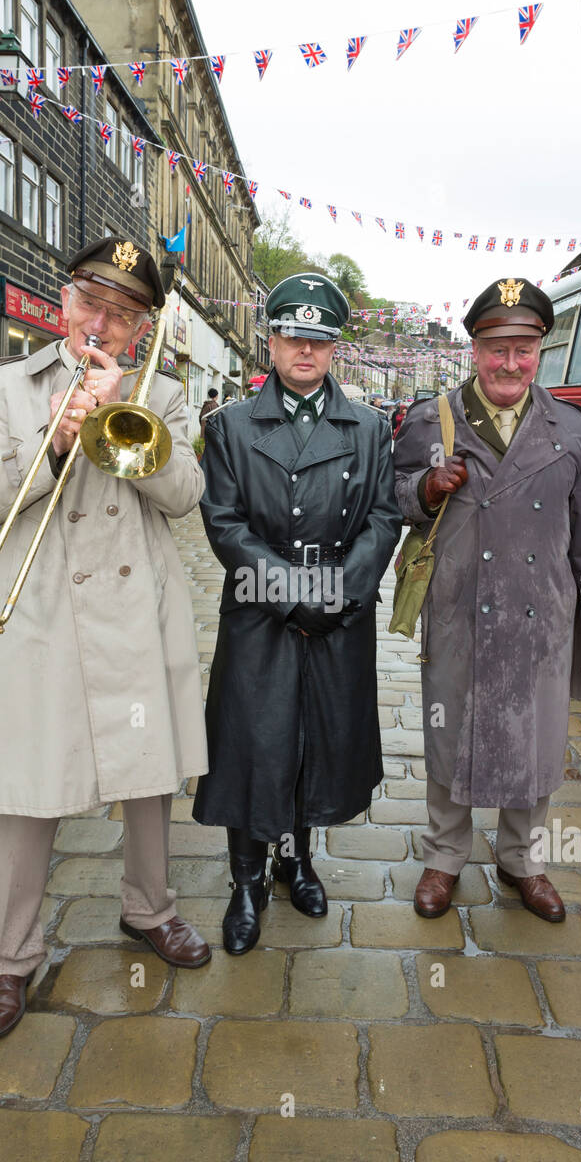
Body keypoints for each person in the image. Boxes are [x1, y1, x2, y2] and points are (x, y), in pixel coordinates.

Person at [0, 236, 211, 1039]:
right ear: (64, 302)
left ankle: (149, 909)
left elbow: (185, 496)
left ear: (141, 328)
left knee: (147, 779)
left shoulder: (161, 392)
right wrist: (54, 440)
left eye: (124, 314)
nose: (102, 322)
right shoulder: (4, 388)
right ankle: (9, 958)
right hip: (43, 614)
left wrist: (123, 411)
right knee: (30, 787)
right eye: (92, 304)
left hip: (135, 610)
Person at [393, 277, 581, 924]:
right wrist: (426, 490)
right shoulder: (430, 418)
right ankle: (445, 856)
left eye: (525, 348)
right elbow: (392, 498)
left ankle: (523, 859)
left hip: (541, 613)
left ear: (540, 352)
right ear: (475, 349)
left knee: (536, 738)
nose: (511, 363)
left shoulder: (569, 427)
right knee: (450, 733)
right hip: (459, 606)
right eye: (498, 348)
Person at [193, 271, 403, 954]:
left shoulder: (369, 427)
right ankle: (246, 880)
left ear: (334, 348)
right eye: (291, 336)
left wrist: (338, 593)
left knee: (317, 741)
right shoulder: (228, 426)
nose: (304, 351)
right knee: (255, 744)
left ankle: (297, 860)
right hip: (261, 612)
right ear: (271, 343)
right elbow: (225, 523)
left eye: (318, 339)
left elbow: (382, 517)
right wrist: (290, 593)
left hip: (338, 615)